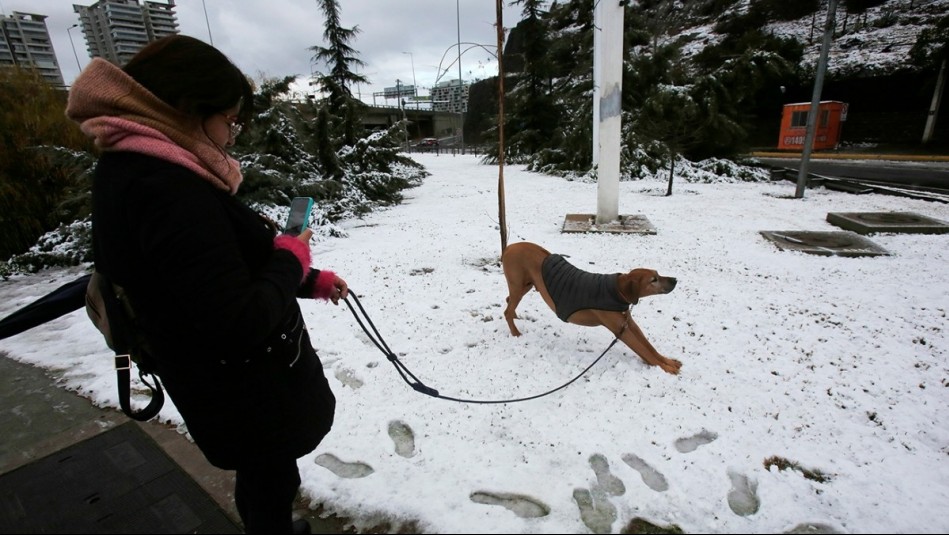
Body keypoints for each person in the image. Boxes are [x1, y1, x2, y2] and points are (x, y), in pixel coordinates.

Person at [66, 35, 347, 534]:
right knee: (269, 471)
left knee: (262, 470)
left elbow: (206, 272)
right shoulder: (166, 189)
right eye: (232, 119)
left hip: (211, 377)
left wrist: (307, 279)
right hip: (242, 385)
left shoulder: (131, 167)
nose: (233, 134)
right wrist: (291, 256)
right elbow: (236, 318)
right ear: (188, 108)